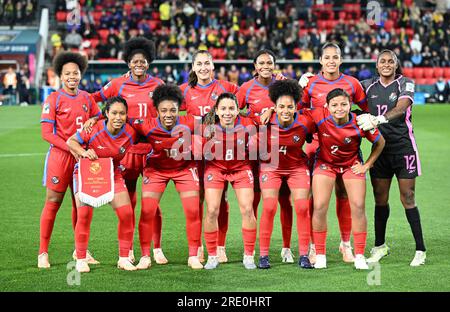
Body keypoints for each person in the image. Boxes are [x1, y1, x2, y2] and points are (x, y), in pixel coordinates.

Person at [92, 37, 168, 265]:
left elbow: (173, 107)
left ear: (149, 62)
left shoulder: (159, 84)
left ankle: (157, 248)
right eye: (135, 61)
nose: (139, 64)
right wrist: (93, 118)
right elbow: (95, 99)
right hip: (125, 150)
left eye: (143, 61)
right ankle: (130, 250)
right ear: (128, 62)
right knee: (129, 202)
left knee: (152, 204)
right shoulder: (118, 84)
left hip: (152, 150)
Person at [299, 42, 369, 264]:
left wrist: (360, 118)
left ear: (340, 59)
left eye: (335, 57)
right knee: (315, 198)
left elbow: (364, 110)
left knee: (344, 195)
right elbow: (298, 110)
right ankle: (313, 247)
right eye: (327, 57)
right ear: (320, 60)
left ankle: (346, 244)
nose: (331, 61)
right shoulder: (310, 83)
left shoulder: (352, 83)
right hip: (317, 145)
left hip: (345, 144)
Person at [357, 49, 427, 266]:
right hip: (379, 150)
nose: (386, 64)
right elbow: (341, 91)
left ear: (396, 65)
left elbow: (401, 108)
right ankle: (380, 246)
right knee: (380, 199)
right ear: (376, 66)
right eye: (382, 61)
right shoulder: (366, 84)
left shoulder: (405, 83)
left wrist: (377, 120)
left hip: (404, 148)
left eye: (391, 61)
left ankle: (420, 250)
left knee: (408, 197)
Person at [305, 88, 385, 270]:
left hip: (351, 164)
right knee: (319, 206)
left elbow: (380, 142)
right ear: (327, 106)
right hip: (325, 164)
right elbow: (294, 114)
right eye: (334, 105)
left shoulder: (360, 121)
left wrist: (367, 165)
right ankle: (320, 254)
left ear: (350, 104)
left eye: (343, 104)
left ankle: (359, 255)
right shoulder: (319, 114)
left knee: (357, 206)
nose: (339, 108)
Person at [38, 51, 101, 269]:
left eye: (76, 73)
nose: (72, 76)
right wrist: (71, 148)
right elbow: (46, 133)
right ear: (61, 76)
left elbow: (99, 115)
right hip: (60, 157)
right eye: (68, 74)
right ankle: (43, 253)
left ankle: (80, 251)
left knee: (82, 205)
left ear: (80, 75)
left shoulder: (86, 98)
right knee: (53, 203)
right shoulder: (53, 98)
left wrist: (92, 120)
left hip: (82, 159)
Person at [130, 84, 203, 270]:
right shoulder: (146, 125)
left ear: (179, 109)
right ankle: (146, 256)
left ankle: (193, 255)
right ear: (157, 111)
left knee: (193, 211)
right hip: (156, 171)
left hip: (184, 169)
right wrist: (95, 119)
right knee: (147, 211)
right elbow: (123, 119)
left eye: (173, 110)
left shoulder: (191, 122)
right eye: (164, 110)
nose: (168, 114)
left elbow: (215, 120)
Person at [179, 50, 239, 263]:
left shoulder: (227, 88)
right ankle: (200, 246)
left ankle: (220, 246)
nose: (203, 67)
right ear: (193, 67)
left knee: (221, 199)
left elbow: (250, 98)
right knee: (199, 199)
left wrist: (278, 80)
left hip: (223, 153)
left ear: (213, 66)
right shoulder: (184, 91)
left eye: (207, 63)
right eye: (199, 64)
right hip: (197, 154)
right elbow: (164, 109)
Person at [236, 49, 295, 263]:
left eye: (269, 62)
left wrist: (272, 110)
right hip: (254, 150)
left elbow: (297, 107)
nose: (266, 66)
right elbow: (235, 110)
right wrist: (250, 118)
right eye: (261, 63)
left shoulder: (283, 85)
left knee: (285, 201)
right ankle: (251, 249)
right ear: (255, 66)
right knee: (255, 199)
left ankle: (287, 248)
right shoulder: (246, 88)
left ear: (274, 64)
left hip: (281, 149)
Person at [67, 97, 137, 273]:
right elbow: (71, 142)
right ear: (106, 113)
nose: (118, 117)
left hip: (113, 173)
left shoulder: (130, 132)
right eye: (114, 113)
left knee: (127, 214)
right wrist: (84, 152)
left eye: (122, 113)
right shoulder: (94, 128)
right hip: (87, 173)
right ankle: (81, 259)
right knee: (84, 214)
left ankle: (123, 258)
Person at [257, 80, 315, 269]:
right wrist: (268, 112)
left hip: (297, 168)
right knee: (269, 207)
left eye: (290, 106)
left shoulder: (305, 122)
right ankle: (263, 256)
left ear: (296, 106)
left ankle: (304, 255)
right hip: (270, 168)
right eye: (281, 106)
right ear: (274, 106)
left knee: (301, 207)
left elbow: (320, 128)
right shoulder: (265, 121)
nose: (286, 110)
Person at [201, 93, 257, 270]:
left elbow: (265, 119)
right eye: (223, 108)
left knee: (248, 209)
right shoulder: (208, 127)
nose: (227, 112)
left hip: (241, 169)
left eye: (231, 108)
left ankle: (248, 255)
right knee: (211, 210)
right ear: (216, 111)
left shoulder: (248, 124)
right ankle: (212, 256)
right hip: (215, 169)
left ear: (238, 110)